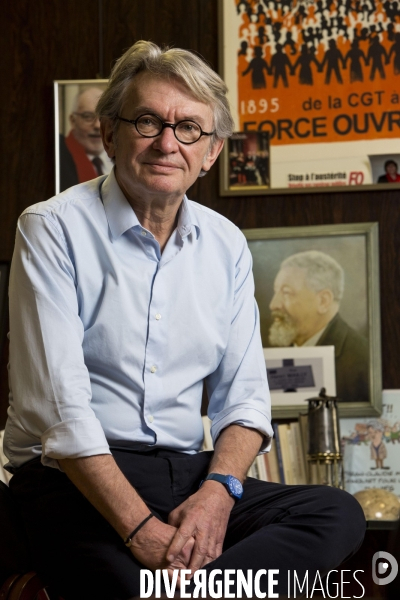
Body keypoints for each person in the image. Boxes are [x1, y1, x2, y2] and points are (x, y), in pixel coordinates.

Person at [4, 41, 365, 600]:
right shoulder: (51, 229)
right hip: (72, 481)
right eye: (148, 121)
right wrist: (143, 533)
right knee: (135, 584)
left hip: (184, 474)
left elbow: (245, 400)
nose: (168, 143)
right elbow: (62, 416)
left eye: (190, 128)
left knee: (334, 514)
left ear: (213, 151)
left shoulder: (226, 245)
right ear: (109, 131)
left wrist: (217, 495)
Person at [269, 250, 369, 403]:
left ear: (323, 301)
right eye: (276, 292)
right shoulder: (272, 354)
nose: (273, 305)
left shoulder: (362, 361)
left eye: (286, 292)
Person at [59, 86, 113, 191]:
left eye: (103, 117)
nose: (97, 125)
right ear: (73, 121)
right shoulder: (62, 156)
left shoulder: (121, 158)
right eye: (88, 116)